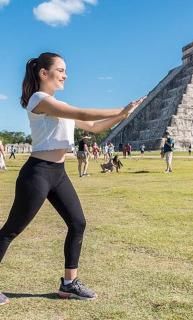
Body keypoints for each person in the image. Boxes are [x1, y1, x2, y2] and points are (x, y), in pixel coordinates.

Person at [0, 52, 144, 305]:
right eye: (61, 70)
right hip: (38, 173)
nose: (66, 75)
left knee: (78, 223)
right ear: (44, 73)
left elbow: (94, 127)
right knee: (11, 230)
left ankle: (69, 284)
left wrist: (124, 115)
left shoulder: (60, 106)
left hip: (58, 173)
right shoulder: (39, 99)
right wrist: (120, 108)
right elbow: (84, 113)